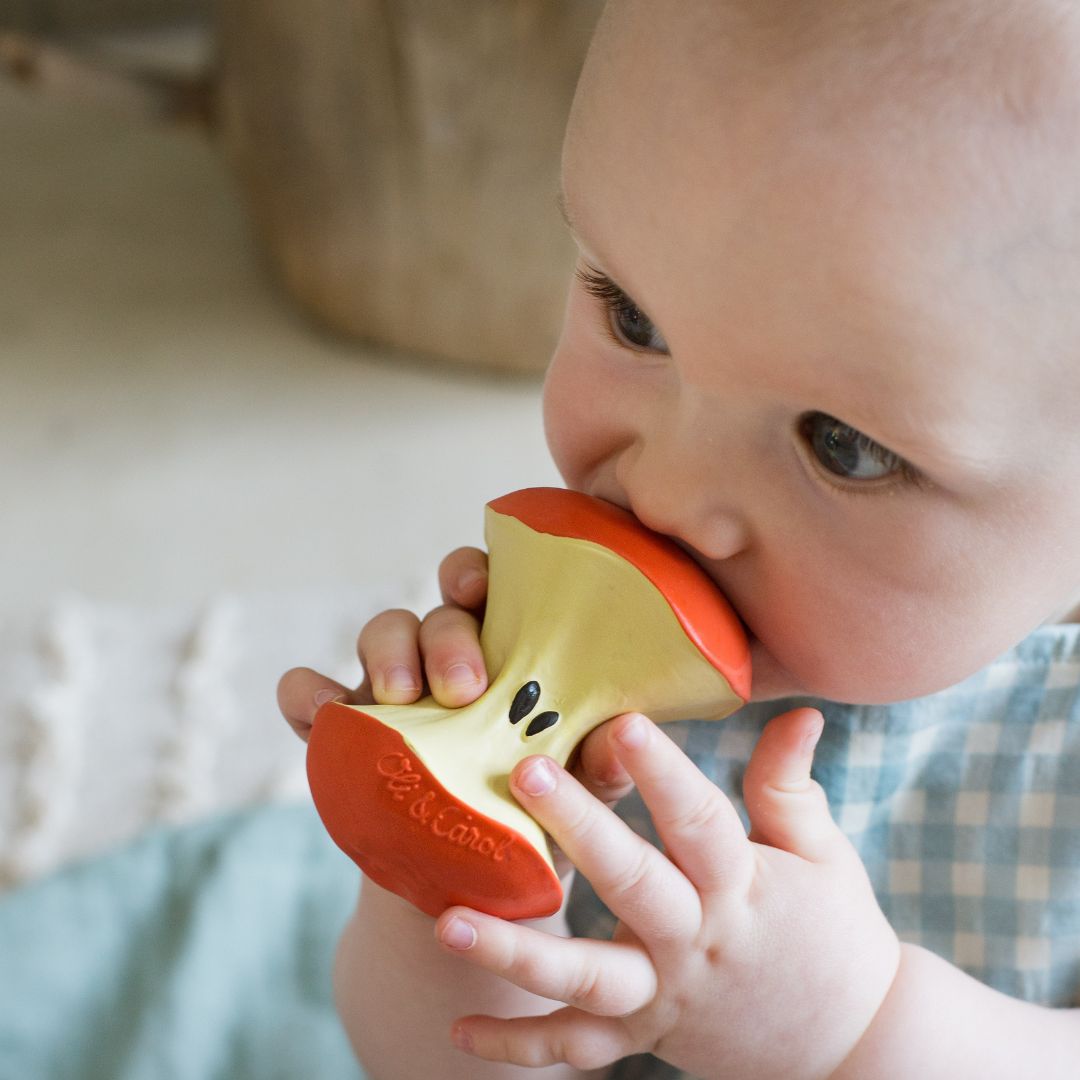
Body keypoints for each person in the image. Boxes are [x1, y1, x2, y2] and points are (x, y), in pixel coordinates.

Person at [278, 0, 1080, 1075]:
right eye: (633, 316)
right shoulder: (578, 691)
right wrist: (444, 885)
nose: (662, 494)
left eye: (841, 444)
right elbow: (438, 1063)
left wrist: (857, 1031)